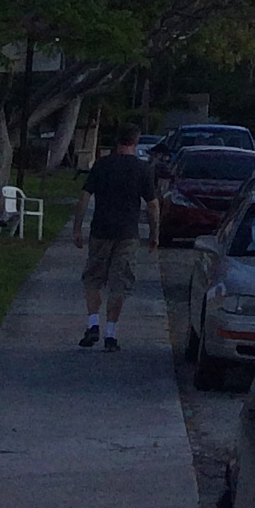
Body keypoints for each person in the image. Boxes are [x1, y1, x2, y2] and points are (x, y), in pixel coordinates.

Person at [74, 129, 154, 350]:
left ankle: (93, 324)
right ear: (136, 141)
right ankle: (111, 334)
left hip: (100, 230)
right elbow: (152, 205)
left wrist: (77, 228)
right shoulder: (142, 169)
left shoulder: (101, 165)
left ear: (117, 142)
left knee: (93, 278)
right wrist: (155, 233)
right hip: (127, 234)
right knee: (120, 283)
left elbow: (84, 196)